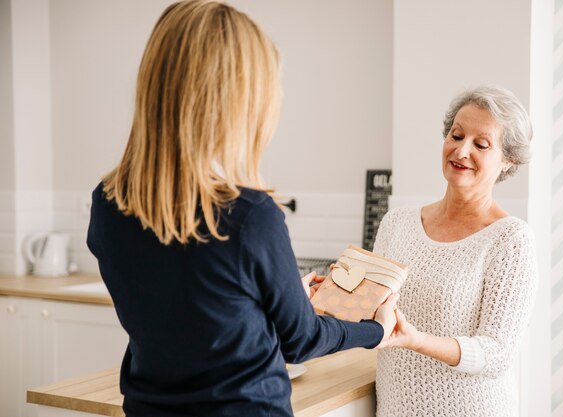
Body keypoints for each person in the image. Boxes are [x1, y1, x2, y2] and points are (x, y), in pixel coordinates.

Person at [86, 2, 397, 416]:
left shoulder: (108, 204)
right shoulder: (249, 215)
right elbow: (301, 341)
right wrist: (374, 330)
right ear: (236, 101)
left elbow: (189, 312)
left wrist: (274, 297)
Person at [374, 86, 538, 417]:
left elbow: (496, 354)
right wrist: (334, 296)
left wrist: (416, 340)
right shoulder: (397, 224)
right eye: (456, 135)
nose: (461, 151)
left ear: (508, 160)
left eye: (481, 144)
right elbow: (372, 308)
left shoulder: (510, 240)